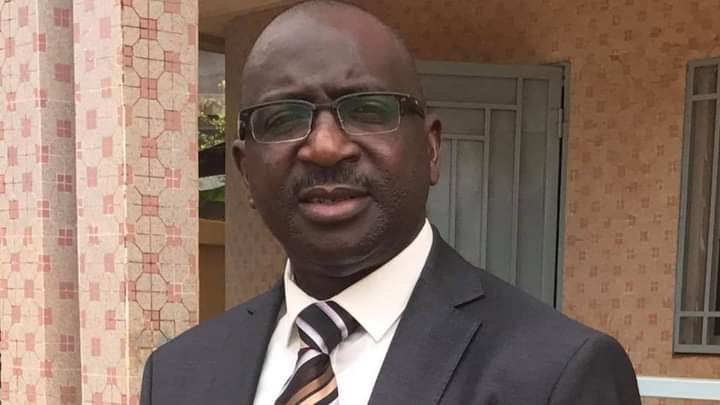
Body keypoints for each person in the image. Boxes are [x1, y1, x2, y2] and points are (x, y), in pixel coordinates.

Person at [140, 1, 641, 404]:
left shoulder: (558, 374)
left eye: (367, 109)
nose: (325, 147)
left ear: (430, 149)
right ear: (246, 170)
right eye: (283, 119)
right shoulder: (177, 375)